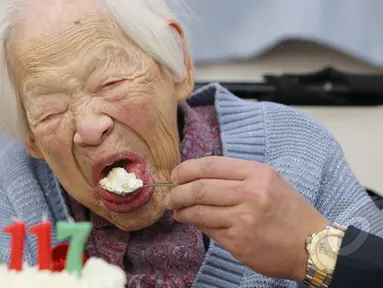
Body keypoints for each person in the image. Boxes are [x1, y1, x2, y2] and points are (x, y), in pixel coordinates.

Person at [0, 0, 382, 287]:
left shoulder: (294, 152)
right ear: (32, 138)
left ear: (176, 65)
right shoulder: (13, 199)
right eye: (50, 112)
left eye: (111, 83)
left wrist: (313, 247)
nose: (88, 127)